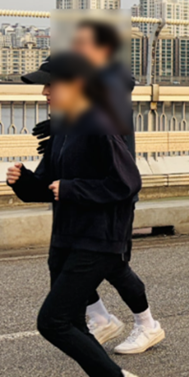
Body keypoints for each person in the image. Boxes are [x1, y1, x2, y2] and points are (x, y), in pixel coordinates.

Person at [6, 53, 144, 377]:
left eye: (53, 85)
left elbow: (126, 184)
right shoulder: (63, 127)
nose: (46, 92)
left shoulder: (102, 124)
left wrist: (71, 188)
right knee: (71, 321)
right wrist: (23, 183)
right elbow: (48, 188)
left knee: (52, 321)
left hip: (98, 238)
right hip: (66, 236)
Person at [70, 19, 164, 354]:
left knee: (112, 263)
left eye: (84, 44)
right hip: (82, 189)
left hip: (112, 192)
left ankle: (147, 324)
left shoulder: (109, 89)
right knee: (70, 257)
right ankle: (100, 318)